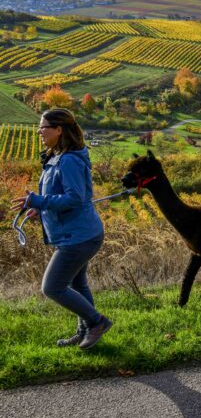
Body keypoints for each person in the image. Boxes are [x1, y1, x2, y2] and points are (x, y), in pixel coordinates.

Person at [11, 109, 113, 349]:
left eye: (43, 127)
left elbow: (74, 198)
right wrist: (41, 209)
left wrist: (39, 201)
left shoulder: (68, 161)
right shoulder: (60, 157)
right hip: (78, 232)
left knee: (52, 287)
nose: (39, 131)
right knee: (78, 284)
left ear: (59, 129)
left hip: (78, 237)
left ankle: (97, 322)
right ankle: (85, 331)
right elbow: (61, 196)